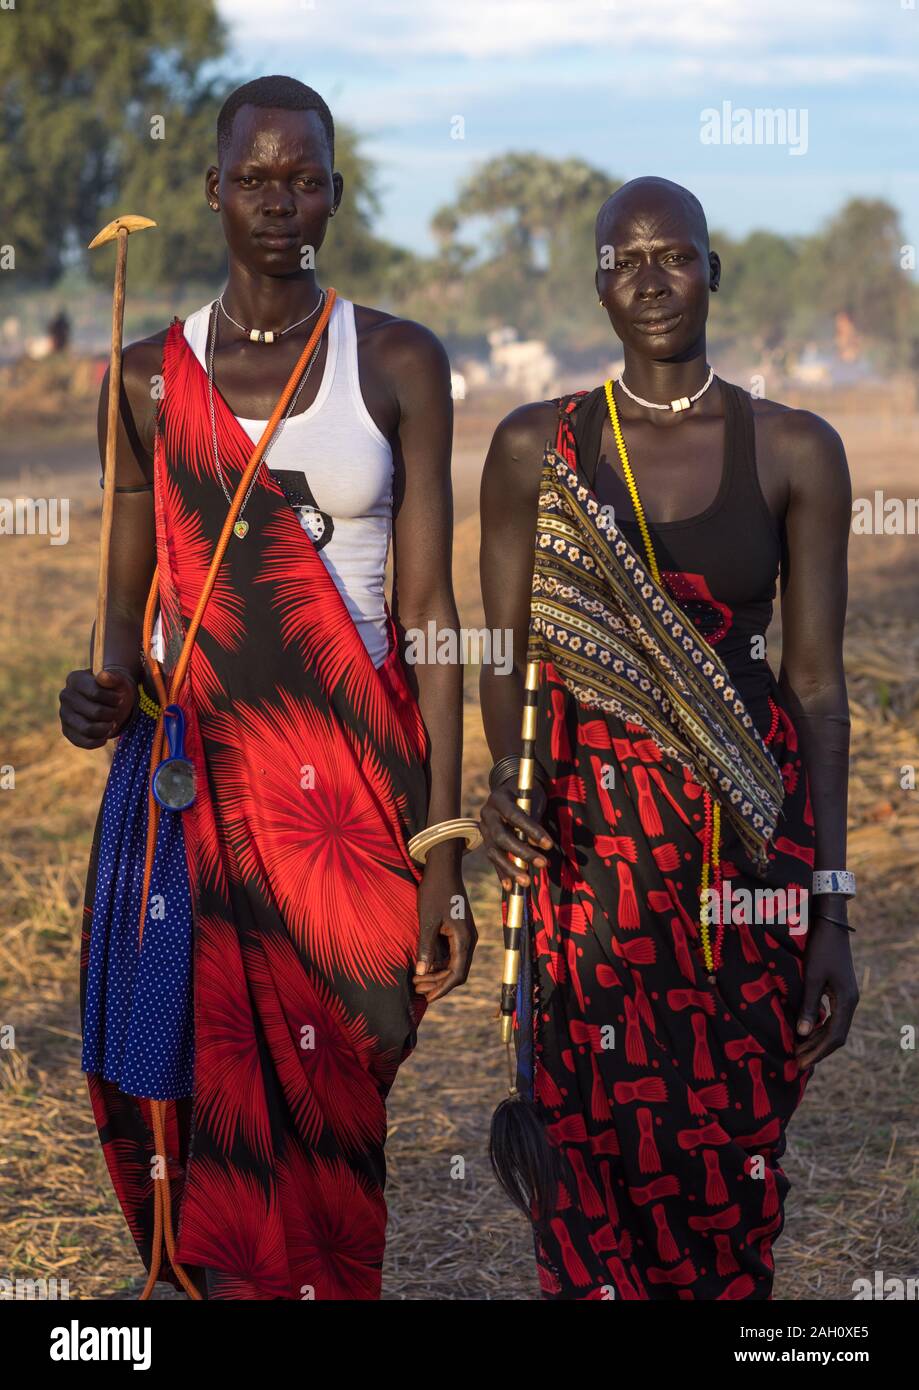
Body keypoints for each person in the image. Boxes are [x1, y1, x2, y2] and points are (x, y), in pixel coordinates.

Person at [60, 75, 475, 1301]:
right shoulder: (145, 376)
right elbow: (125, 622)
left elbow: (432, 615)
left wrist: (444, 849)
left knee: (350, 1066)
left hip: (354, 793)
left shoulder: (397, 359)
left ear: (336, 198)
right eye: (255, 179)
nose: (279, 202)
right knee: (213, 1091)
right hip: (202, 797)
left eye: (303, 180)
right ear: (213, 192)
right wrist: (96, 699)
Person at [478, 176, 858, 1300]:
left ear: (713, 271)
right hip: (585, 861)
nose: (648, 278)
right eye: (622, 258)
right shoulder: (533, 450)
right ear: (597, 281)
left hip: (746, 865)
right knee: (586, 1161)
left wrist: (830, 906)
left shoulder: (794, 448)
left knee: (732, 1169)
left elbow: (818, 689)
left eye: (673, 255)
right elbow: (505, 655)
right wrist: (505, 777)